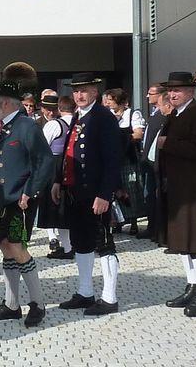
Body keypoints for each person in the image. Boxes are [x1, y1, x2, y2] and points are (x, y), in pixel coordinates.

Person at [0, 80, 55, 327]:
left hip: (19, 200)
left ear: (4, 102)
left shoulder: (27, 126)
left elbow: (44, 162)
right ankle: (12, 304)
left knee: (18, 248)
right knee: (5, 247)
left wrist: (30, 191)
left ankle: (38, 304)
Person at [52, 73, 123, 316]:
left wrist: (105, 194)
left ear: (95, 92)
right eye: (76, 91)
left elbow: (113, 160)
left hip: (95, 194)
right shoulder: (78, 116)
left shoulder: (103, 117)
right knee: (81, 242)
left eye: (84, 90)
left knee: (103, 243)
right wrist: (58, 180)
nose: (79, 95)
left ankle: (109, 298)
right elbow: (68, 151)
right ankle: (85, 292)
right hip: (76, 191)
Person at [157, 71, 196, 317]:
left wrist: (167, 144)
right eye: (170, 90)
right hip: (178, 186)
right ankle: (192, 286)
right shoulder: (176, 114)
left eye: (178, 90)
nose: (172, 94)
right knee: (183, 239)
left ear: (191, 91)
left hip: (195, 188)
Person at [102, 88, 146, 235]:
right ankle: (117, 221)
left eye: (110, 99)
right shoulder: (107, 115)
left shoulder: (132, 114)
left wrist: (121, 138)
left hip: (128, 156)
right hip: (112, 156)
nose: (108, 102)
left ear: (119, 101)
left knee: (131, 187)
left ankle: (133, 221)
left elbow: (138, 134)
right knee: (114, 187)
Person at [37, 95, 75, 259]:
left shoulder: (54, 124)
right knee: (68, 209)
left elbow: (41, 147)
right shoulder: (79, 123)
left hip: (55, 168)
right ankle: (71, 245)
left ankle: (67, 248)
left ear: (59, 109)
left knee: (57, 210)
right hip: (74, 167)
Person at [138, 84, 167, 240]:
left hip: (155, 162)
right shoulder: (155, 113)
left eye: (151, 93)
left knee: (154, 195)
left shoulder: (163, 115)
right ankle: (152, 227)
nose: (147, 96)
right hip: (148, 162)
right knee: (148, 195)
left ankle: (156, 229)